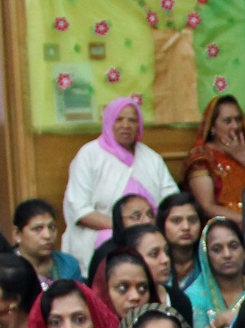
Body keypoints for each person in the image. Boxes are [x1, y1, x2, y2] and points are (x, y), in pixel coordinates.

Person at [62, 96, 176, 271]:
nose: (126, 125)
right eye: (119, 119)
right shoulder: (89, 155)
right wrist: (124, 227)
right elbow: (79, 211)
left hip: (150, 236)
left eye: (132, 120)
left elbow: (170, 201)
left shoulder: (151, 158)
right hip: (101, 236)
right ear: (108, 121)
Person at [183, 93, 245, 221]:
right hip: (225, 229)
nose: (235, 126)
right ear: (212, 127)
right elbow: (207, 207)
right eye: (227, 121)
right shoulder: (202, 158)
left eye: (238, 119)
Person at [183, 216, 245, 328]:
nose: (227, 254)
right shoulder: (195, 296)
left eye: (233, 246)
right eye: (217, 249)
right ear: (206, 256)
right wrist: (218, 324)